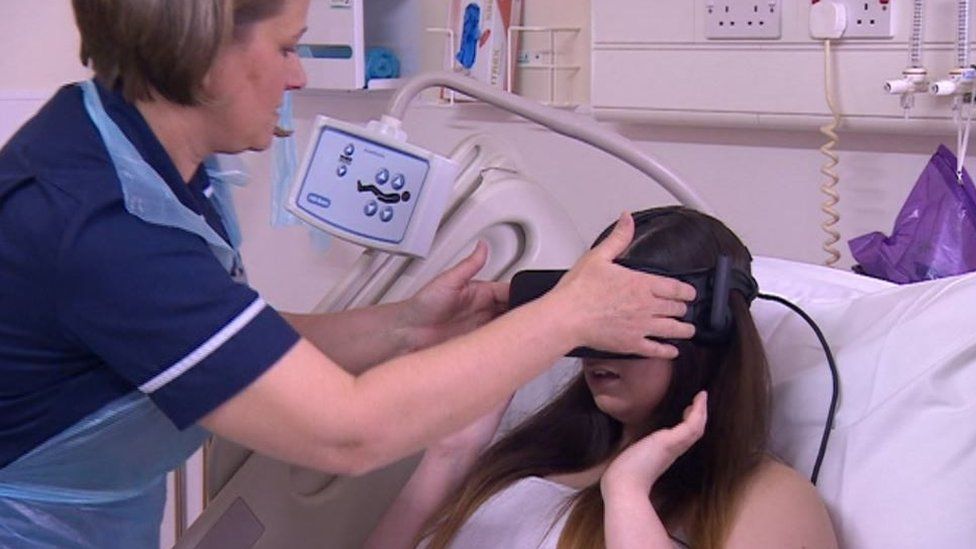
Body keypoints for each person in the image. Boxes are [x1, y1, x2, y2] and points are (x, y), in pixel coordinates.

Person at [0, 1, 698, 547]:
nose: (298, 75)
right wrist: (568, 315)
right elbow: (347, 432)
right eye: (287, 46)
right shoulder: (99, 224)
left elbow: (221, 339)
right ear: (208, 55)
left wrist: (404, 326)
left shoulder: (140, 156)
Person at [365, 206, 839, 549]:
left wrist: (628, 497)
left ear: (708, 332)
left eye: (623, 322)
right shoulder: (526, 460)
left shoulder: (762, 499)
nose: (596, 345)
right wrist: (451, 454)